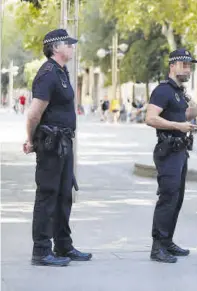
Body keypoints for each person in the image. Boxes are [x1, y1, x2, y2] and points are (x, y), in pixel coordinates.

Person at [145, 48, 197, 263]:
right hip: (168, 151)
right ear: (173, 65)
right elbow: (150, 118)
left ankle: (167, 241)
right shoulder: (163, 90)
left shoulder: (179, 92)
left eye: (190, 65)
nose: (188, 69)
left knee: (176, 199)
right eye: (184, 64)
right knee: (167, 198)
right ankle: (158, 247)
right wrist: (177, 126)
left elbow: (188, 114)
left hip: (180, 151)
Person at [23, 29, 92, 267]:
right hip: (51, 145)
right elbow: (33, 114)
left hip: (63, 143)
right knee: (48, 195)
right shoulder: (47, 74)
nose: (73, 47)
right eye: (69, 44)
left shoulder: (61, 72)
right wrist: (31, 141)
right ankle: (41, 251)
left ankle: (63, 245)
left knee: (64, 195)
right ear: (55, 48)